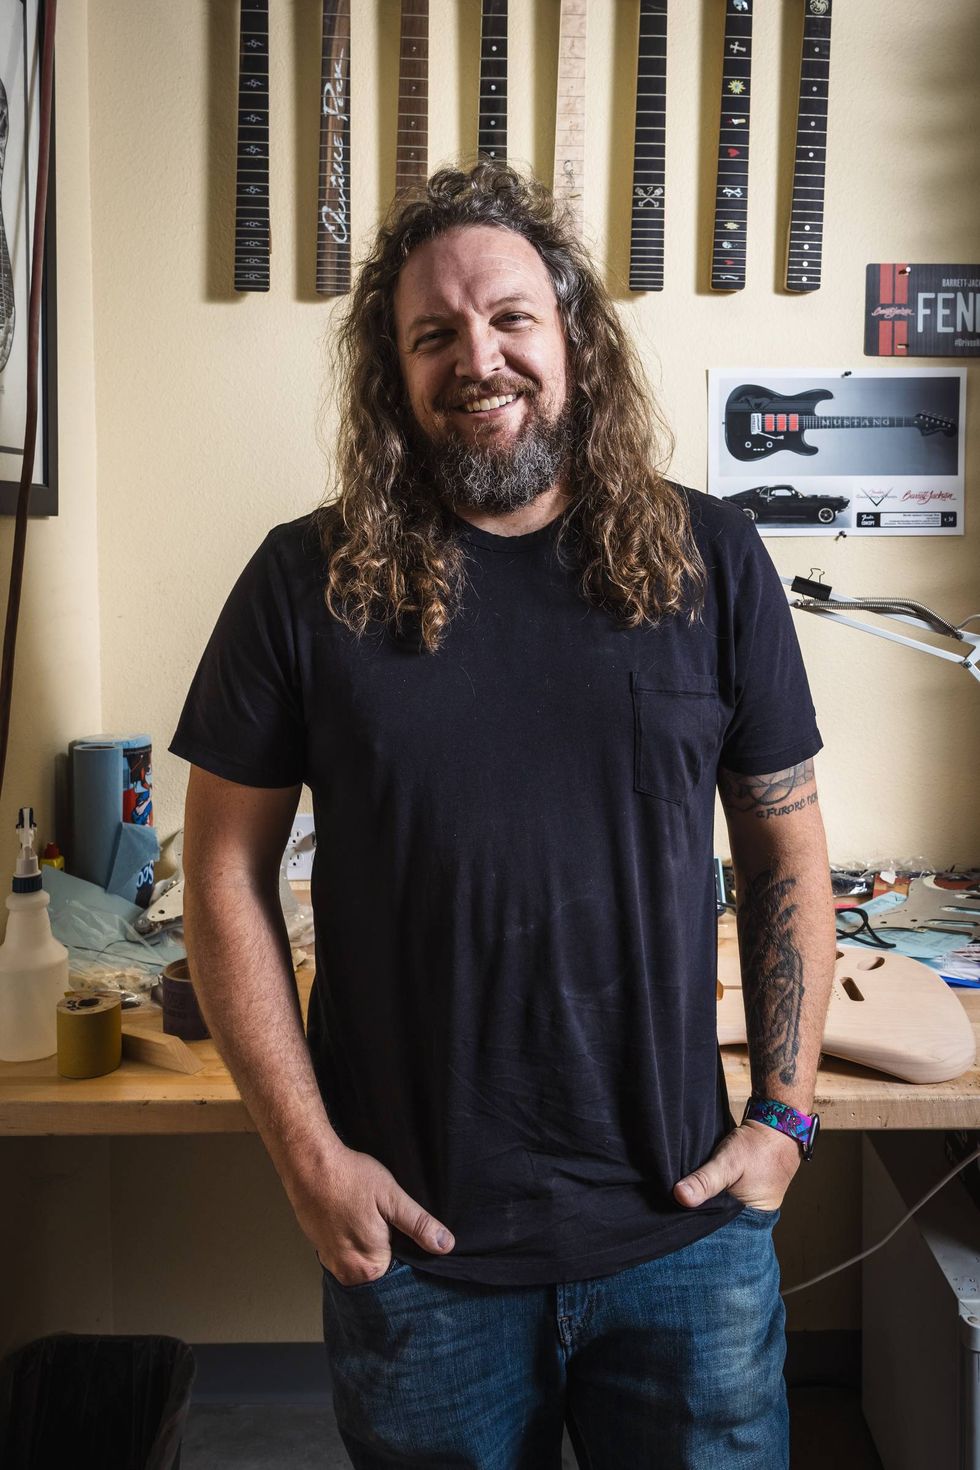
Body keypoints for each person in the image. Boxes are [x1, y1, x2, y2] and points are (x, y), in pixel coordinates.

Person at [171, 162, 836, 1470]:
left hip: (687, 1239)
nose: (480, 357)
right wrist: (309, 1160)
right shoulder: (300, 583)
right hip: (420, 1254)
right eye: (436, 333)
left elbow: (788, 845)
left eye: (511, 318)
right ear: (393, 371)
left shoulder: (714, 559)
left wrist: (788, 1117)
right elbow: (221, 879)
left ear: (572, 334)